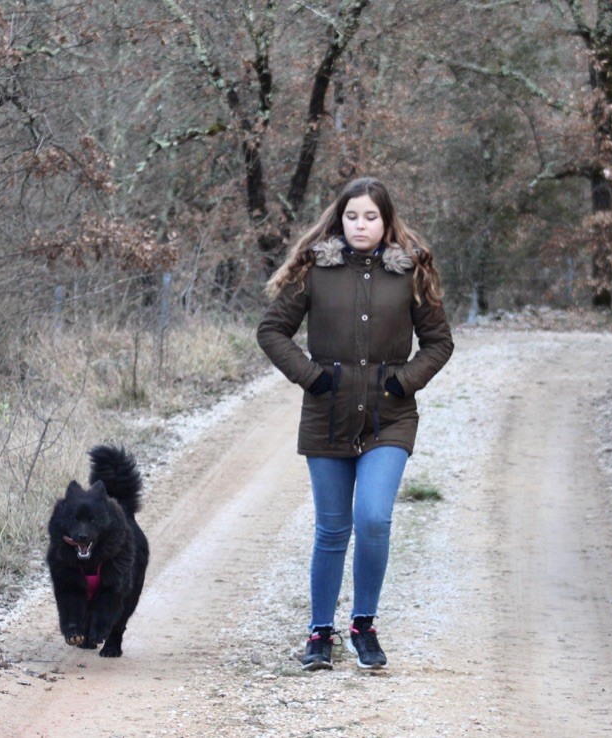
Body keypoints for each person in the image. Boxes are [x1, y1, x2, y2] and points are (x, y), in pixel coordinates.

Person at [256, 177, 453, 671]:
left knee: (373, 518)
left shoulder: (409, 271)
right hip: (327, 415)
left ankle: (364, 625)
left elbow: (438, 342)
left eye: (370, 217)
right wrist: (312, 378)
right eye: (351, 216)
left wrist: (403, 382)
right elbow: (272, 331)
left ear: (386, 221)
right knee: (332, 528)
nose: (360, 225)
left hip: (390, 416)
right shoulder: (314, 270)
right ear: (339, 219)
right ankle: (320, 632)